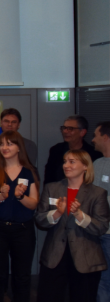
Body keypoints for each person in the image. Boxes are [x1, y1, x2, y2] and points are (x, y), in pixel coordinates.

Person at [35, 150, 109, 302]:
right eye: (65, 161)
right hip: (54, 256)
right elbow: (40, 219)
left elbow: (101, 227)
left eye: (72, 161)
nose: (66, 165)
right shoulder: (52, 188)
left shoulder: (98, 193)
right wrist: (57, 213)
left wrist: (80, 216)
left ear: (85, 166)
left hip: (86, 258)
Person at [0, 131, 39, 302]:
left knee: (22, 276)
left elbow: (34, 203)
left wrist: (21, 196)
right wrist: (1, 196)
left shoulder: (29, 171)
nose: (5, 148)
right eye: (2, 144)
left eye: (10, 144)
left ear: (18, 147)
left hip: (23, 230)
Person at [44, 115, 101, 186]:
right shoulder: (56, 150)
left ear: (82, 132)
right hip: (57, 192)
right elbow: (49, 178)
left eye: (70, 129)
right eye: (64, 128)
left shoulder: (93, 153)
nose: (65, 131)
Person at [92, 121, 110, 301]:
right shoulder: (97, 163)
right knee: (102, 280)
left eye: (96, 135)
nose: (93, 140)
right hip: (97, 232)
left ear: (105, 137)